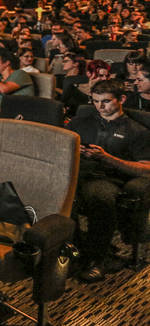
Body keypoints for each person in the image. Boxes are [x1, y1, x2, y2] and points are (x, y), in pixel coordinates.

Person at [67, 80, 150, 282]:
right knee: (56, 188)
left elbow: (146, 168)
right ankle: (74, 249)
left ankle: (97, 259)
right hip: (77, 172)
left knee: (99, 196)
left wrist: (106, 157)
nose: (100, 107)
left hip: (109, 178)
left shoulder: (137, 131)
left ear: (121, 99)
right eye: (95, 101)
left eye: (105, 101)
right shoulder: (80, 122)